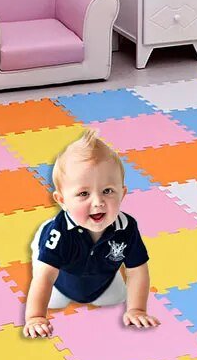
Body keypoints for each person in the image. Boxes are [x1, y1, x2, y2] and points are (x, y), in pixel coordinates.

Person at [23, 128, 160, 338]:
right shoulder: (59, 233)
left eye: (107, 191)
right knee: (52, 300)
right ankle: (40, 247)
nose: (98, 202)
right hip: (60, 280)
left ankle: (102, 286)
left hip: (101, 277)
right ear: (62, 200)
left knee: (116, 298)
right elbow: (45, 277)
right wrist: (35, 317)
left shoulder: (127, 227)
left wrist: (137, 309)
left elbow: (137, 271)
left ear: (122, 194)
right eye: (83, 193)